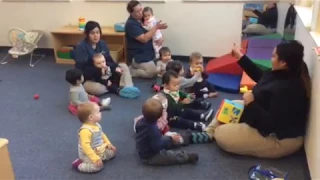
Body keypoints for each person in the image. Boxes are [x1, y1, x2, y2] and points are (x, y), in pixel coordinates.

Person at [193, 41, 311, 158]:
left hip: (278, 138)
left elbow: (270, 124)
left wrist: (251, 103)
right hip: (263, 115)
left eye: (273, 56)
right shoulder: (283, 73)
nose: (271, 58)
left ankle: (214, 132)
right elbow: (261, 77)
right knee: (231, 104)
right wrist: (240, 57)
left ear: (284, 63)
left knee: (221, 134)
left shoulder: (287, 89)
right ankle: (208, 133)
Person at [74, 21, 135, 96]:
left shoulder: (102, 44)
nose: (96, 35)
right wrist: (100, 70)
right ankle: (114, 86)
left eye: (98, 32)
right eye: (92, 33)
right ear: (87, 34)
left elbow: (109, 60)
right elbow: (82, 70)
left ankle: (128, 88)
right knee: (98, 89)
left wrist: (115, 67)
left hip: (106, 73)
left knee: (123, 66)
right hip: (90, 78)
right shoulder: (81, 47)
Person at [135, 98, 199, 166]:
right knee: (170, 156)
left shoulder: (139, 122)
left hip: (146, 146)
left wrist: (169, 139)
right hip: (150, 156)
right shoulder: (154, 130)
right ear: (159, 117)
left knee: (167, 138)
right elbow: (158, 147)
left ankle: (183, 138)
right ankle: (186, 156)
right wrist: (170, 140)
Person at [125, 0, 168, 79]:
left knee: (164, 63)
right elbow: (144, 39)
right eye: (138, 11)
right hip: (138, 55)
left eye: (141, 9)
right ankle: (130, 71)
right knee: (152, 73)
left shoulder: (144, 18)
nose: (141, 12)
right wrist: (156, 27)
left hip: (149, 51)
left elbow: (155, 32)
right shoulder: (131, 24)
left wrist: (162, 37)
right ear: (131, 13)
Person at [72, 102, 117, 173]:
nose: (101, 113)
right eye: (98, 112)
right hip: (88, 154)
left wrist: (108, 144)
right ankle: (79, 164)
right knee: (98, 167)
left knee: (112, 153)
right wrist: (95, 159)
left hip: (99, 149)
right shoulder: (85, 131)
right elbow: (86, 147)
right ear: (91, 117)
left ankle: (100, 158)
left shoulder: (96, 125)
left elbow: (102, 134)